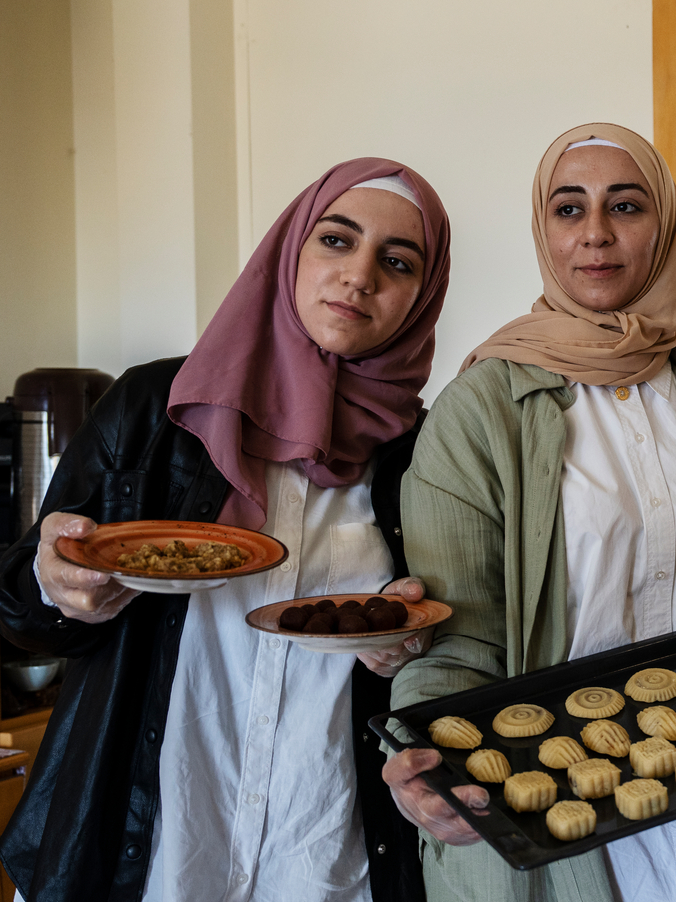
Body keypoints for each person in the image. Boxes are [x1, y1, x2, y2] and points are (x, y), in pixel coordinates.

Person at [0, 159, 452, 902]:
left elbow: (445, 660)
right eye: (336, 241)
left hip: (322, 848)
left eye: (397, 261)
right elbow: (19, 610)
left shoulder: (423, 453)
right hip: (146, 843)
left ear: (421, 297)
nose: (360, 276)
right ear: (290, 250)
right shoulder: (157, 407)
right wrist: (56, 584)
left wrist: (408, 648)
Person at [381, 123, 676, 902]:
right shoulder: (482, 410)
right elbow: (455, 631)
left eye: (626, 206)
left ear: (663, 225)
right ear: (543, 229)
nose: (596, 234)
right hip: (544, 806)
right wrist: (427, 760)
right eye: (569, 210)